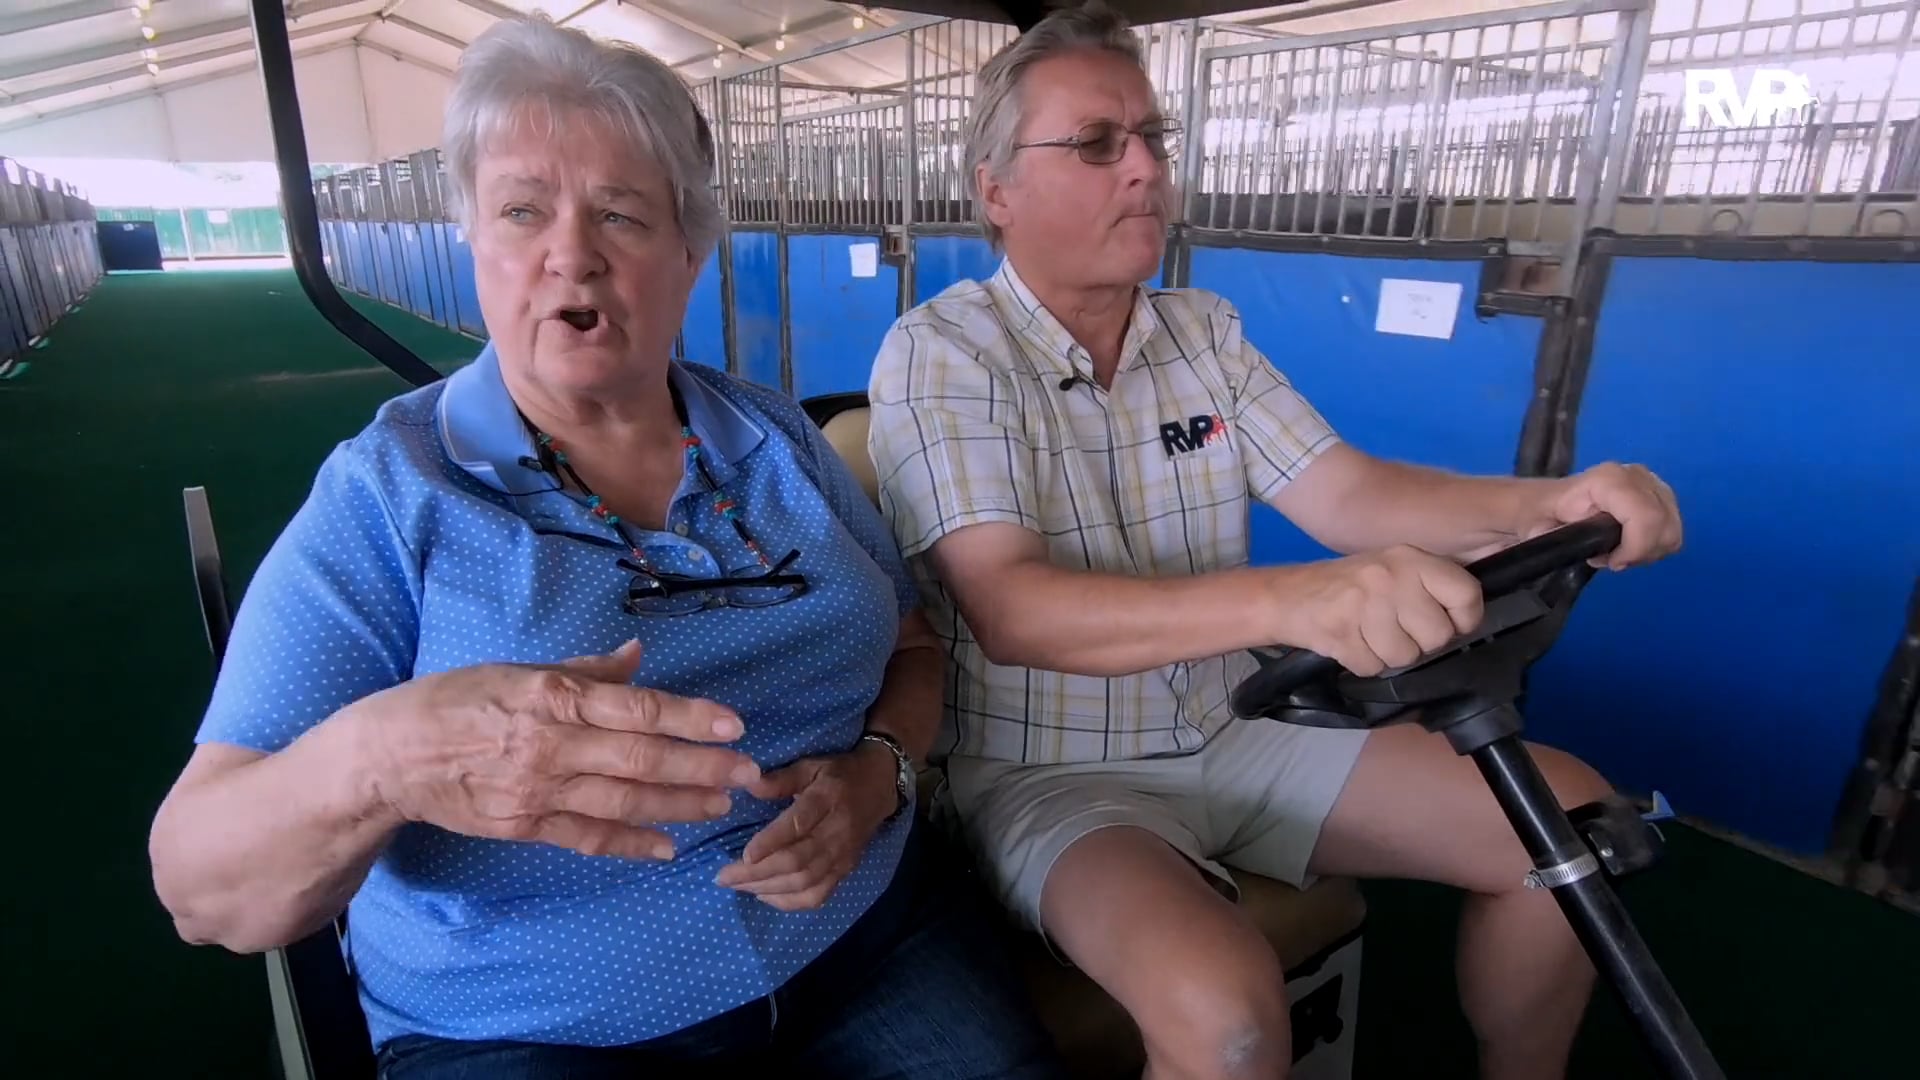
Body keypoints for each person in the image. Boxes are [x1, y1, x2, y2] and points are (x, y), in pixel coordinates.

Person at [148, 16, 1063, 1080]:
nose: (570, 254)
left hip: (869, 935)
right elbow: (201, 889)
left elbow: (912, 644)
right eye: (523, 211)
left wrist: (879, 774)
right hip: (539, 1021)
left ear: (689, 251)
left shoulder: (774, 439)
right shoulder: (392, 493)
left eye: (621, 215)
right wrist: (391, 757)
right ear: (473, 241)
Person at [865, 4, 1685, 1079]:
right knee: (1227, 1014)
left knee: (1567, 829)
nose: (1144, 170)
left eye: (1155, 138)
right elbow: (1014, 611)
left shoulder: (1201, 333)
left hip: (1236, 716)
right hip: (1049, 770)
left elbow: (1353, 494)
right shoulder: (944, 352)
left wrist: (1556, 500)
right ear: (996, 189)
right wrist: (1298, 602)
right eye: (1098, 144)